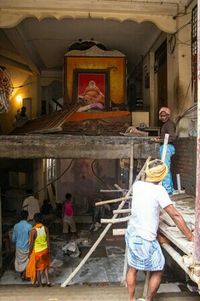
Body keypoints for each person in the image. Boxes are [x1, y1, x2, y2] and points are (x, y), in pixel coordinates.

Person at [125, 159, 193, 301]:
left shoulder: (137, 185)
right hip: (144, 238)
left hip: (132, 232)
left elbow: (148, 204)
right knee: (158, 268)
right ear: (162, 176)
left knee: (133, 268)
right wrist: (191, 236)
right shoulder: (159, 191)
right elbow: (175, 215)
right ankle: (148, 300)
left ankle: (131, 299)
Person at [26, 213, 52, 287]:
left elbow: (31, 244)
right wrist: (49, 250)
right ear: (42, 220)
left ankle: (40, 284)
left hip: (38, 252)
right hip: (45, 250)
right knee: (46, 266)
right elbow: (48, 240)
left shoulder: (33, 230)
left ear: (34, 220)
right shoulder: (45, 228)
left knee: (37, 269)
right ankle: (48, 281)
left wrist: (29, 253)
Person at [154, 107, 176, 195]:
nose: (163, 117)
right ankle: (169, 189)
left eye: (164, 115)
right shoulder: (165, 124)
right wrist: (160, 138)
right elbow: (166, 136)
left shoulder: (169, 124)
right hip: (166, 146)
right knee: (166, 168)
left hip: (167, 147)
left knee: (165, 169)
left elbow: (172, 138)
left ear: (168, 115)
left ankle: (167, 191)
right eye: (161, 116)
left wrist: (159, 141)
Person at [12, 210, 32, 280]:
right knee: (27, 261)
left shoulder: (16, 226)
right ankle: (25, 274)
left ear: (20, 216)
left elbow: (13, 239)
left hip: (19, 247)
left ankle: (22, 274)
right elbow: (31, 238)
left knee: (19, 262)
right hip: (27, 247)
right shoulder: (29, 226)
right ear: (27, 216)